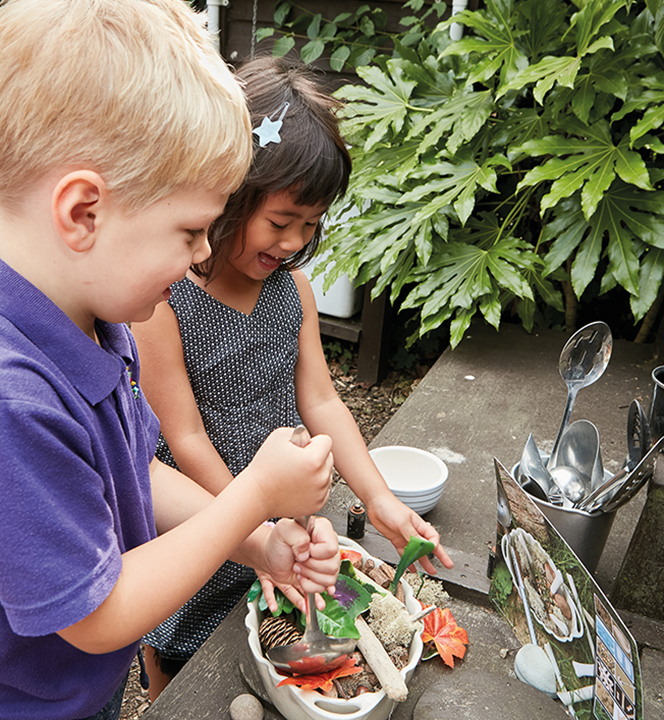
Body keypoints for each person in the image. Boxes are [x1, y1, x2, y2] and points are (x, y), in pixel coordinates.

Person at [0, 4, 340, 720]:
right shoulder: (14, 402)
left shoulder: (93, 315)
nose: (201, 254)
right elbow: (98, 612)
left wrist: (262, 547)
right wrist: (254, 499)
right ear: (84, 212)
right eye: (189, 230)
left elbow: (135, 470)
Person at [132, 54, 455, 699]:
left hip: (282, 515)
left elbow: (324, 403)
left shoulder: (294, 291)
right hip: (203, 512)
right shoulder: (165, 302)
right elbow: (186, 440)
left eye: (308, 226)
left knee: (274, 639)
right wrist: (250, 523)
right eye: (280, 222)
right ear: (227, 194)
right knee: (179, 638)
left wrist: (379, 497)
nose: (293, 241)